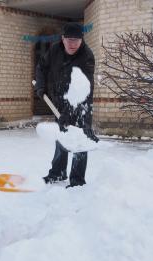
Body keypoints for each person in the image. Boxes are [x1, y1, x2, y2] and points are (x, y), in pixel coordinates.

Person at [34, 22, 96, 188]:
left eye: (76, 40)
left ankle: (77, 180)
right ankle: (58, 173)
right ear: (62, 39)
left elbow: (81, 90)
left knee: (79, 139)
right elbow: (41, 67)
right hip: (59, 101)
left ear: (82, 40)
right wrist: (41, 86)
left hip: (81, 103)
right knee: (61, 136)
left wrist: (68, 114)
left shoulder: (86, 57)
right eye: (69, 39)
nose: (72, 43)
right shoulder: (55, 50)